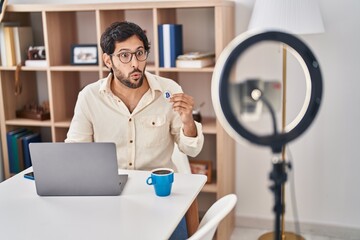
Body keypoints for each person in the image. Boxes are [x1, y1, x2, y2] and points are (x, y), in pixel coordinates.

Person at [65, 21, 204, 239]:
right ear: (107, 60)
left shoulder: (169, 90)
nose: (135, 64)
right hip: (111, 198)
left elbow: (192, 150)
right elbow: (74, 152)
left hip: (160, 197)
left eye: (140, 53)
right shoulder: (89, 97)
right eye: (124, 55)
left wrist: (188, 122)